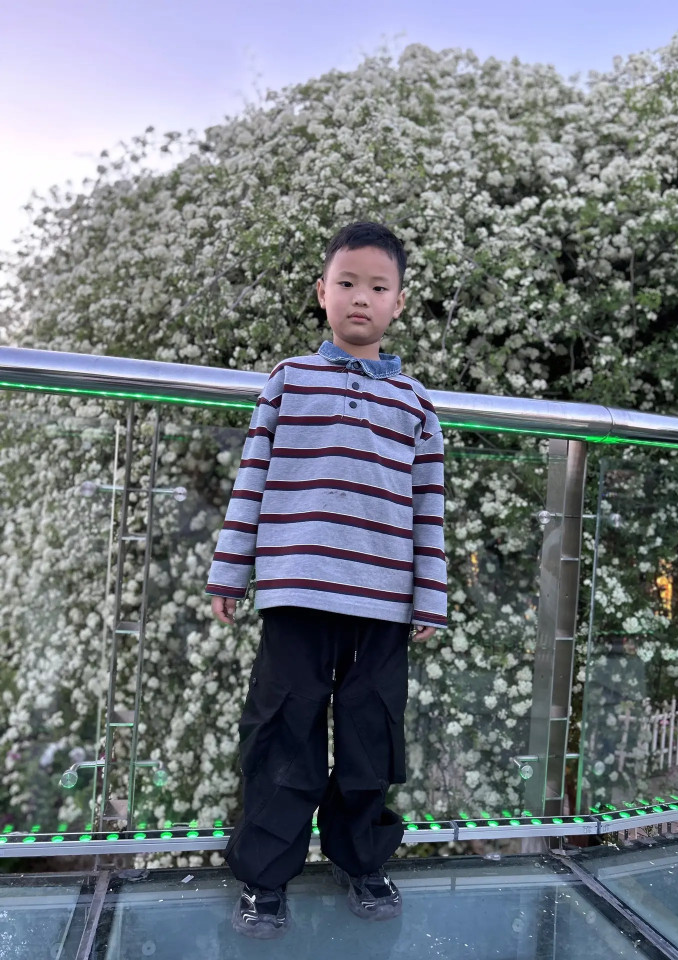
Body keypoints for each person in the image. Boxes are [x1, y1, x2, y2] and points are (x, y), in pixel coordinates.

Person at [206, 221, 447, 939]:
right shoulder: (288, 380)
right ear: (322, 292)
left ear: (399, 302)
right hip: (297, 593)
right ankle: (264, 878)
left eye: (377, 286)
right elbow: (252, 478)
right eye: (347, 283)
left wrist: (429, 595)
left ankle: (362, 860)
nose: (360, 298)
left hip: (383, 604)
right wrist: (231, 570)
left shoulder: (416, 403)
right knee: (282, 733)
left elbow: (428, 508)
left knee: (372, 736)